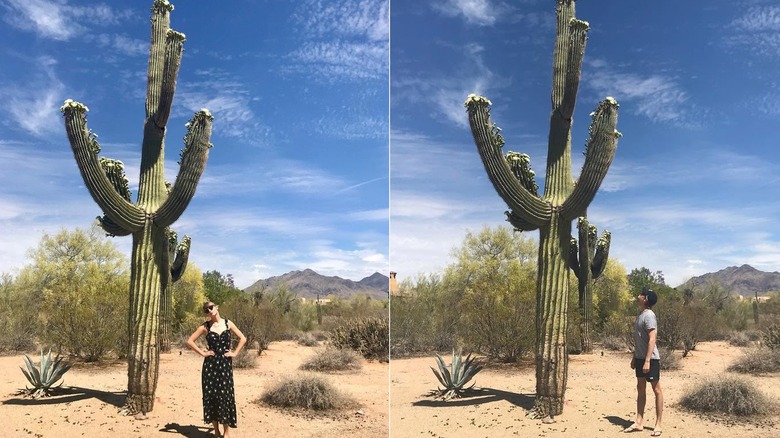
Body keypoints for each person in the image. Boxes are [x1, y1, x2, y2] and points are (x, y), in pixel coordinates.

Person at [187, 301, 247, 438]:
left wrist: (235, 353)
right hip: (210, 366)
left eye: (211, 307)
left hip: (225, 366)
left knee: (225, 396)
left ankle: (226, 432)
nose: (209, 311)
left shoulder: (228, 324)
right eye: (206, 310)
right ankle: (216, 431)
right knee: (212, 396)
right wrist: (203, 353)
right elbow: (190, 341)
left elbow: (243, 338)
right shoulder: (205, 327)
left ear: (217, 307)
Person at [623, 288, 663, 436]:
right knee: (640, 388)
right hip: (640, 358)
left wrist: (647, 360)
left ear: (645, 299)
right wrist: (635, 357)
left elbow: (652, 338)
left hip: (650, 359)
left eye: (641, 294)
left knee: (656, 390)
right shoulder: (641, 315)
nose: (638, 296)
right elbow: (639, 339)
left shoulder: (650, 316)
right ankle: (639, 421)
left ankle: (658, 424)